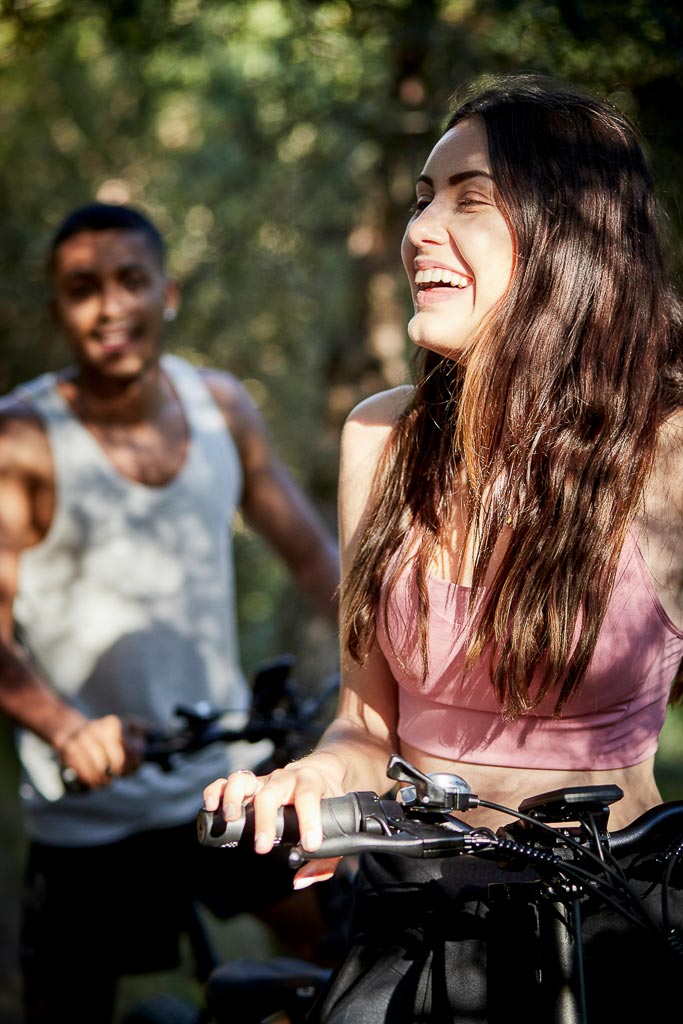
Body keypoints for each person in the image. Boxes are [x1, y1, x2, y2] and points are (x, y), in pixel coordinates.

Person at [203, 72, 683, 1022]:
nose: (418, 231)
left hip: (614, 927)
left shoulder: (667, 450)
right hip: (412, 929)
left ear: (572, 236)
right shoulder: (378, 439)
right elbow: (367, 728)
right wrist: (308, 778)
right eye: (423, 200)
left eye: (471, 200)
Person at [0, 201, 340, 1023]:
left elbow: (314, 559)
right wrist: (63, 726)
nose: (111, 306)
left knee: (342, 943)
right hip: (91, 810)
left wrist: (398, 675)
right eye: (83, 288)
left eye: (130, 280)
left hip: (223, 780)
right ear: (58, 312)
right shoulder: (23, 437)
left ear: (168, 294)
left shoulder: (220, 406)